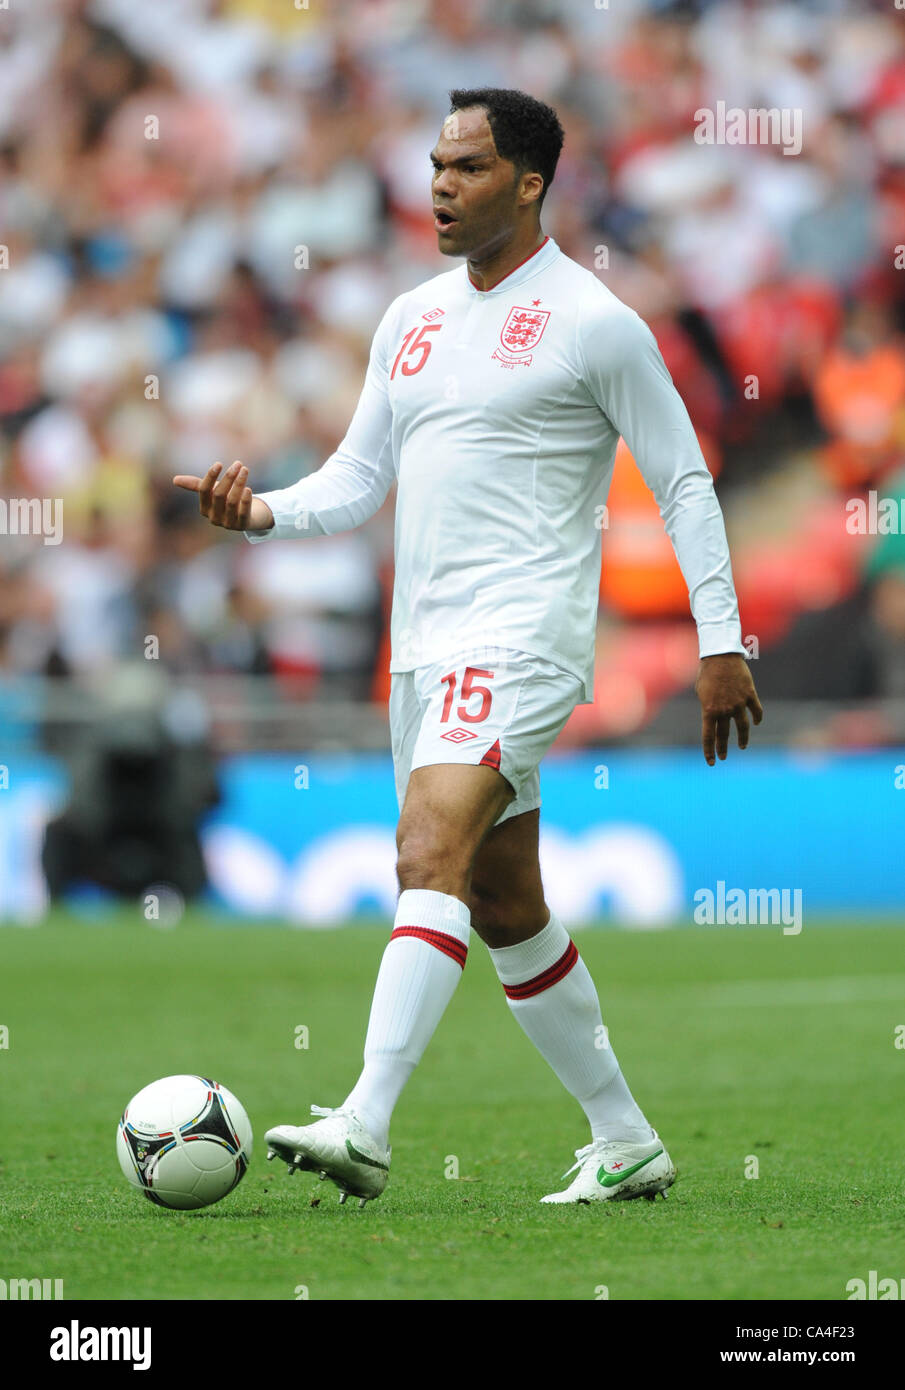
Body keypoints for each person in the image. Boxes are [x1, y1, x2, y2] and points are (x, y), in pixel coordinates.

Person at [174, 88, 763, 1207]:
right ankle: (624, 1137)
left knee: (423, 847)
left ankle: (366, 1118)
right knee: (501, 903)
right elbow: (356, 482)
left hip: (523, 636)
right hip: (422, 648)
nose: (437, 185)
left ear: (529, 183)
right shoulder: (410, 317)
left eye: (466, 167)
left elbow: (683, 480)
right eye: (435, 164)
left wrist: (719, 638)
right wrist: (260, 516)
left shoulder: (595, 321)